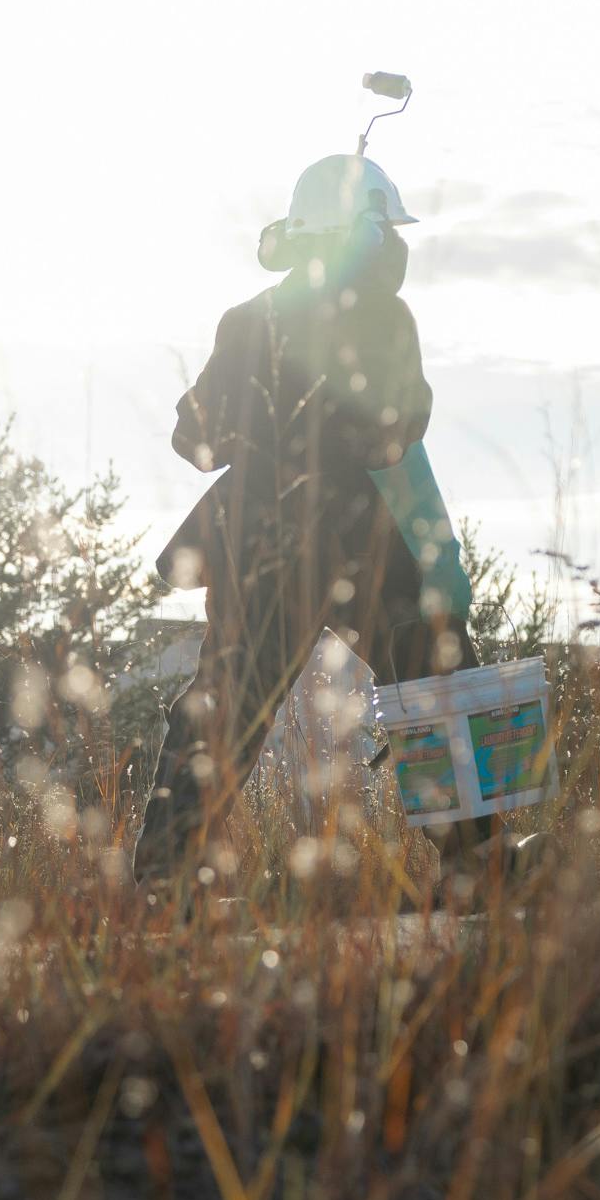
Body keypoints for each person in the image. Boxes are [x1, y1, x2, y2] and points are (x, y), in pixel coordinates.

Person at [138, 152, 477, 888]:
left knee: (222, 702)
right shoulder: (385, 315)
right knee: (435, 674)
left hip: (251, 537)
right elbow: (401, 427)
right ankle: (475, 862)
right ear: (361, 233)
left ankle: (163, 878)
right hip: (358, 534)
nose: (395, 244)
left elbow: (193, 441)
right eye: (383, 228)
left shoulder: (248, 319)